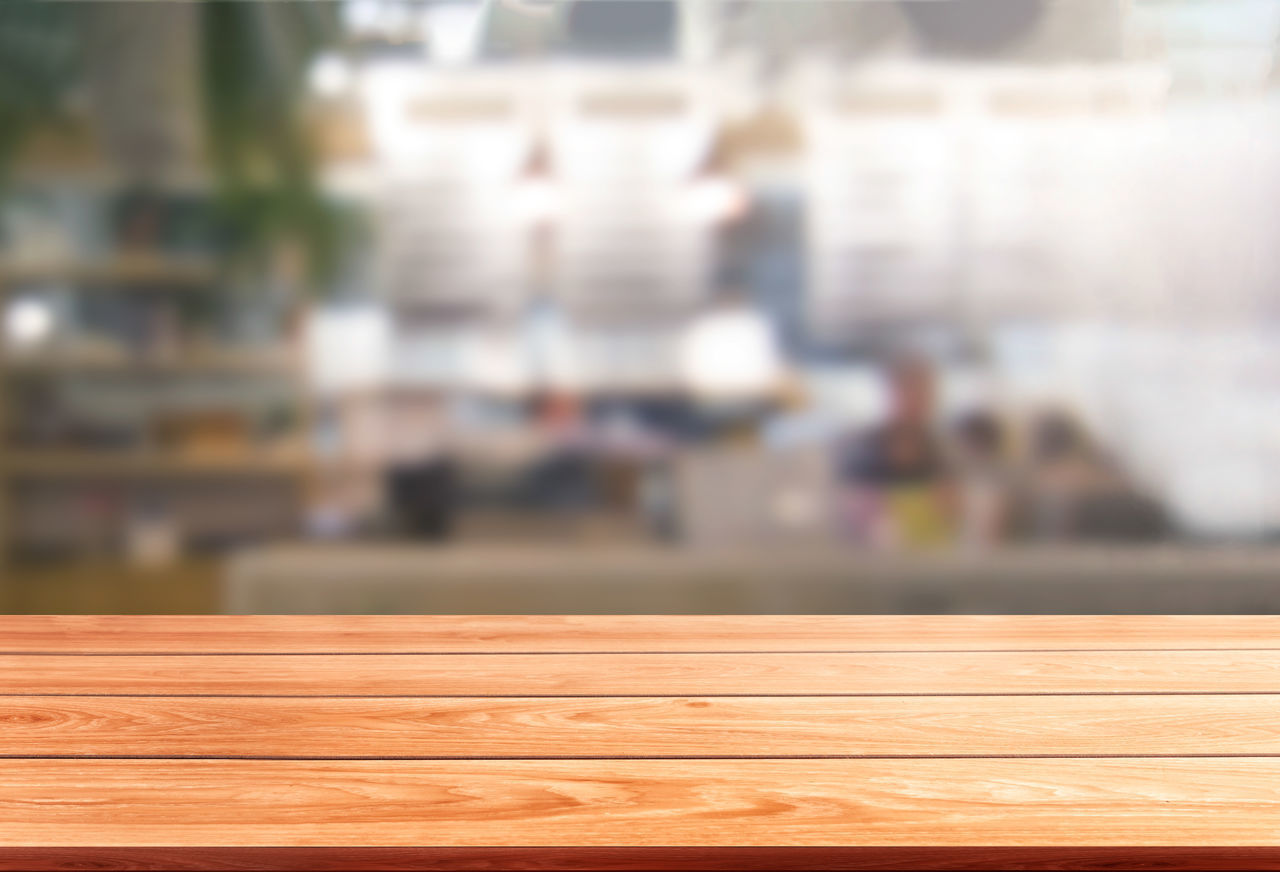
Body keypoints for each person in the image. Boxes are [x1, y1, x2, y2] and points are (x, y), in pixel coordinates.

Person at [839, 355, 954, 548]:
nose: (917, 402)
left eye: (924, 393)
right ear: (892, 394)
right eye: (910, 392)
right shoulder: (863, 450)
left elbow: (956, 509)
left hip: (934, 557)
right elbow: (849, 513)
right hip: (877, 559)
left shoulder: (942, 448)